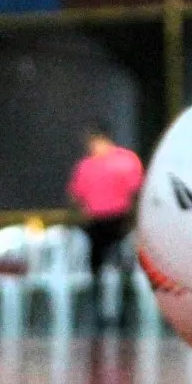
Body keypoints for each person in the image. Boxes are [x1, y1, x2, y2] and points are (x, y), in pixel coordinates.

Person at [66, 120, 144, 324]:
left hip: (119, 222)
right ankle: (100, 313)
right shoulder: (87, 166)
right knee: (99, 268)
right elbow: (76, 195)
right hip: (98, 223)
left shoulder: (125, 161)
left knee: (121, 266)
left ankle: (124, 311)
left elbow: (136, 191)